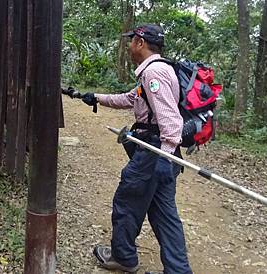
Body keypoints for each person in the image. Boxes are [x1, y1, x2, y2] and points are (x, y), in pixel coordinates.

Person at [82, 24, 192, 274]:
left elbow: (170, 119)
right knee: (164, 213)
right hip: (163, 152)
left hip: (156, 152)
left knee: (128, 199)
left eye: (131, 41)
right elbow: (131, 99)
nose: (129, 46)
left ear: (141, 43)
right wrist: (95, 97)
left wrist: (164, 156)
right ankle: (178, 271)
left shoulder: (154, 74)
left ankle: (123, 257)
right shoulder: (157, 71)